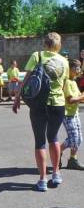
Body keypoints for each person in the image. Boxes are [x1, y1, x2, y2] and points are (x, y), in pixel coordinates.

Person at [13, 32, 69, 192]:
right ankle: (56, 173)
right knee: (54, 138)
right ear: (59, 44)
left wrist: (17, 98)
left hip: (39, 104)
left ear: (45, 43)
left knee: (40, 142)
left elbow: (26, 80)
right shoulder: (64, 61)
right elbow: (64, 85)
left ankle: (43, 180)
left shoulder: (37, 55)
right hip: (58, 104)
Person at [59, 59, 84, 170]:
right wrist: (82, 97)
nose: (78, 70)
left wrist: (82, 96)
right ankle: (57, 151)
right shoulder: (67, 82)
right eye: (76, 68)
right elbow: (70, 100)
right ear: (70, 69)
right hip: (67, 114)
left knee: (78, 139)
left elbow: (78, 98)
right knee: (74, 138)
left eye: (79, 68)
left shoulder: (74, 82)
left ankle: (72, 160)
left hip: (75, 113)